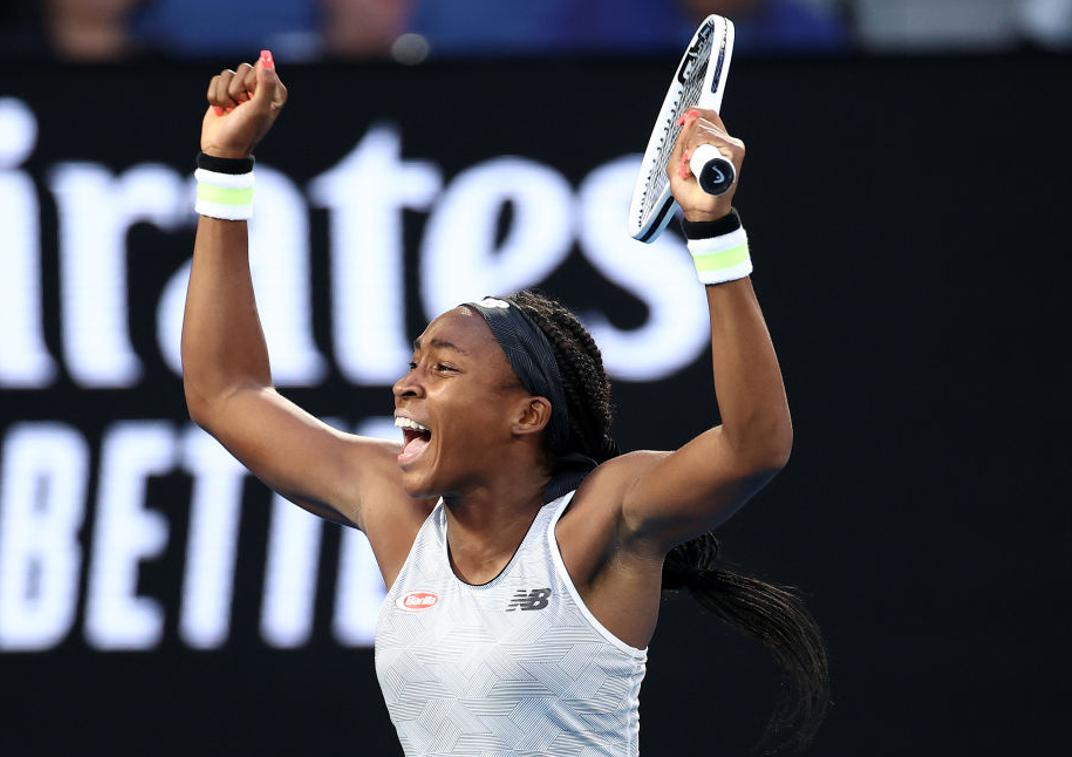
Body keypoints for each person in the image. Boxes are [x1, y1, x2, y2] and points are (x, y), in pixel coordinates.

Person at [182, 51, 830, 755]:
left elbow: (755, 446)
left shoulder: (605, 517)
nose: (408, 382)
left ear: (527, 413)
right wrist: (223, 166)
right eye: (414, 361)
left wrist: (712, 230)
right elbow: (225, 392)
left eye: (443, 366)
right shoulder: (394, 507)